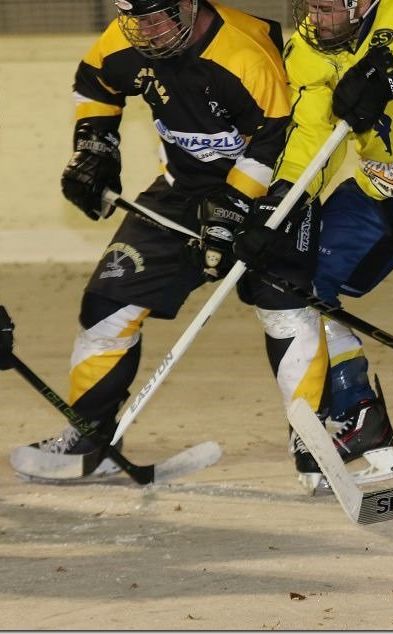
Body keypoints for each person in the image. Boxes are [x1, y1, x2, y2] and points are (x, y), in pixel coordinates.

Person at [9, 0, 342, 487]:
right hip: (182, 192)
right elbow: (94, 80)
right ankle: (91, 437)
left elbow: (278, 137)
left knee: (284, 307)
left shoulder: (244, 54)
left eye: (158, 15)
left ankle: (313, 437)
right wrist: (94, 144)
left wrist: (234, 207)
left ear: (189, 4)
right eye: (135, 17)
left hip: (271, 190)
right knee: (107, 301)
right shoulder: (129, 41)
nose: (145, 29)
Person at [232, 0, 393, 491]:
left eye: (326, 8)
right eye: (309, 6)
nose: (315, 19)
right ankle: (359, 417)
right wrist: (284, 200)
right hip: (379, 186)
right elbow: (312, 134)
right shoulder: (308, 46)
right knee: (303, 283)